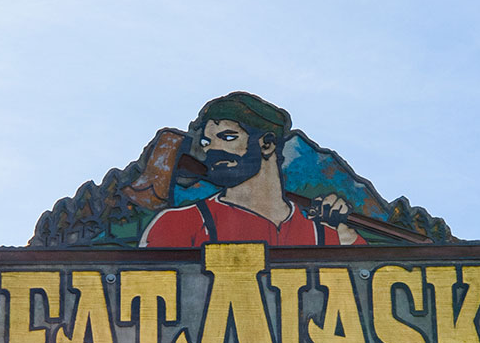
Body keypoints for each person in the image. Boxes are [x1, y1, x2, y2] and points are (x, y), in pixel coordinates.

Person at [139, 92, 364, 248]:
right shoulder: (178, 225)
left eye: (227, 137)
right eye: (207, 143)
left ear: (267, 144)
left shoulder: (325, 234)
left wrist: (341, 234)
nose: (212, 150)